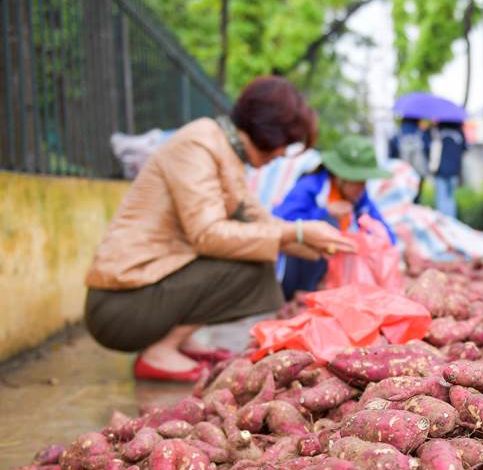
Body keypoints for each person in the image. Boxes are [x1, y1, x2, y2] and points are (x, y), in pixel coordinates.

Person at [85, 76, 354, 382]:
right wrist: (298, 233)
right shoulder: (197, 146)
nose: (281, 154)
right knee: (253, 265)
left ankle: (179, 342)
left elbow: (261, 224)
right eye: (285, 144)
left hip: (148, 290)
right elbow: (208, 235)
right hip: (118, 305)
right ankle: (160, 351)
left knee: (258, 248)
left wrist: (320, 245)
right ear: (269, 130)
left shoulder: (226, 154)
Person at [273, 135, 396, 299]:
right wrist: (324, 212)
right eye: (357, 180)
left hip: (339, 276)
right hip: (295, 275)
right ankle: (305, 295)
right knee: (327, 225)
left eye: (364, 181)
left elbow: (385, 233)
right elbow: (281, 225)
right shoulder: (311, 186)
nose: (362, 187)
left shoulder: (360, 198)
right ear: (339, 176)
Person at [430, 121, 467, 218]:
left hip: (440, 170)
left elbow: (429, 147)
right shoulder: (459, 132)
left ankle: (443, 223)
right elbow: (465, 148)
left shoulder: (438, 132)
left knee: (441, 199)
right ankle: (451, 223)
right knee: (451, 199)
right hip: (454, 170)